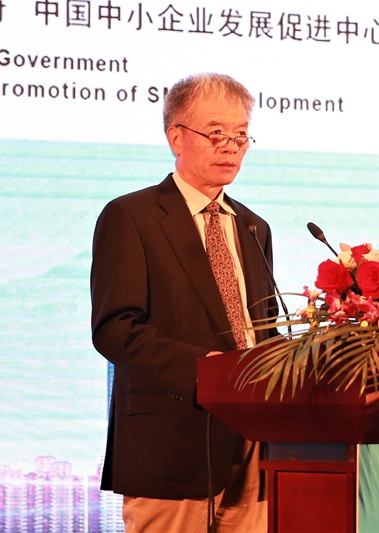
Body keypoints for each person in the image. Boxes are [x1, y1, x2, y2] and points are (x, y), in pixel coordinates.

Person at [90, 73, 276, 532]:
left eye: (240, 136)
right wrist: (206, 371)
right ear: (176, 137)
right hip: (171, 442)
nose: (231, 148)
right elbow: (115, 328)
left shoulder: (254, 226)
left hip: (254, 445)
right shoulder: (131, 216)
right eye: (216, 134)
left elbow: (263, 329)